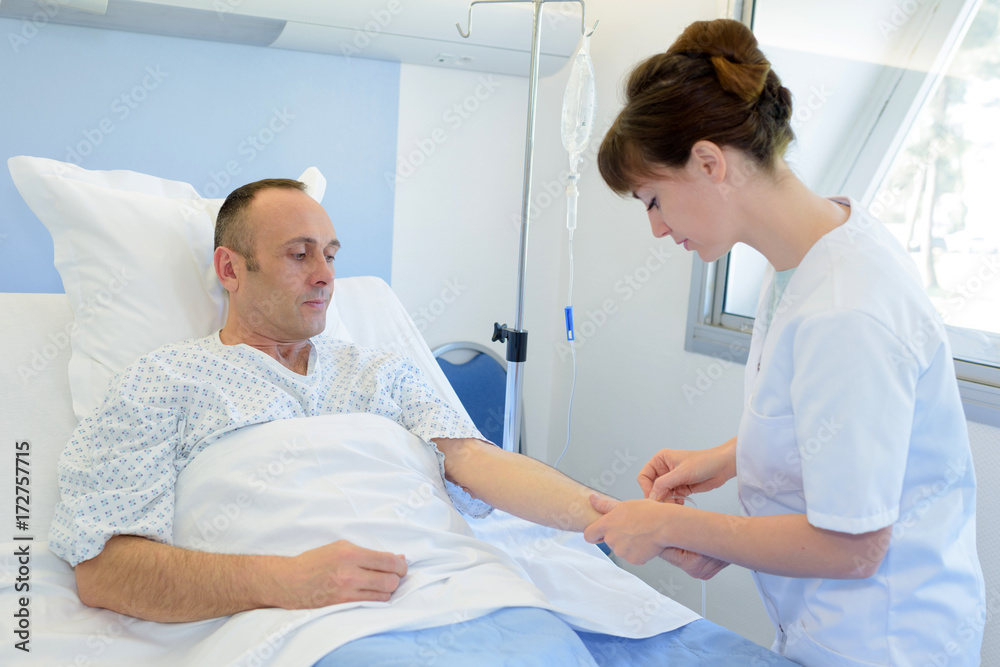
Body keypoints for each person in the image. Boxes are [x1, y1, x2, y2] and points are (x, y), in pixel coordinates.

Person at [583, 18, 985, 667]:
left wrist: (672, 525)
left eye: (653, 199)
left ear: (711, 162)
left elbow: (855, 544)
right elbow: (839, 424)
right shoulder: (808, 254)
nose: (656, 228)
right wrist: (727, 457)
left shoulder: (845, 307)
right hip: (834, 629)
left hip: (887, 642)